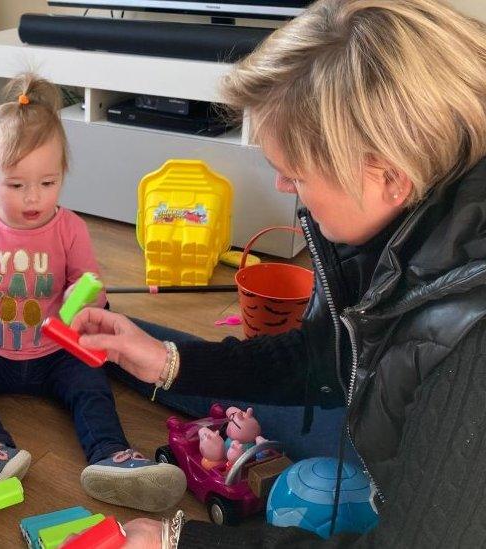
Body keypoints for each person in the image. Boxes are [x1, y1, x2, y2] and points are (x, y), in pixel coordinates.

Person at [72, 0, 486, 545]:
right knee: (155, 355)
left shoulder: (470, 351)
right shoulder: (390, 217)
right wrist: (169, 362)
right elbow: (324, 357)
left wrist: (181, 541)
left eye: (296, 175)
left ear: (389, 175)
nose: (285, 190)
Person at [0, 74, 186, 512]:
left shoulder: (69, 228)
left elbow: (89, 287)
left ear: (62, 176)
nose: (33, 198)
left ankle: (112, 456)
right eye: (16, 185)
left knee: (92, 381)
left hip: (54, 351)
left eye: (47, 183)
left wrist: (88, 298)